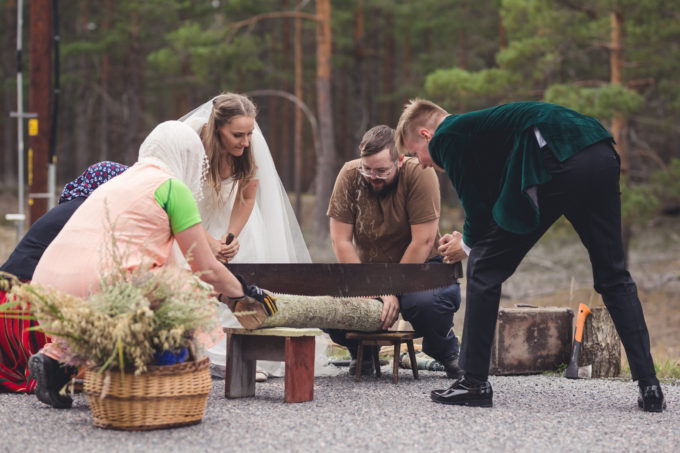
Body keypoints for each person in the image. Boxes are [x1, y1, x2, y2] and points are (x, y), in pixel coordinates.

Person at [396, 99, 665, 412]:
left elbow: (479, 212)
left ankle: (473, 383)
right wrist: (470, 238)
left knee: (483, 267)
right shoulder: (482, 130)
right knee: (614, 275)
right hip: (599, 148)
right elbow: (496, 197)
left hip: (552, 156)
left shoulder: (448, 136)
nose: (423, 163)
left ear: (427, 135)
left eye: (416, 153)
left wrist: (466, 246)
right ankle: (650, 386)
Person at [28, 121, 277, 408]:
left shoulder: (121, 180)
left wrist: (226, 293)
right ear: (190, 157)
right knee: (181, 293)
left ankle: (55, 362)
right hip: (97, 287)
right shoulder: (172, 187)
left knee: (151, 279)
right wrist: (243, 293)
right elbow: (204, 266)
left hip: (47, 289)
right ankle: (157, 371)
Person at [180, 93, 318, 380]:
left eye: (249, 133)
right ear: (217, 129)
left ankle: (245, 353)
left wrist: (230, 238)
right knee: (196, 278)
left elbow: (246, 194)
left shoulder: (249, 146)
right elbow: (179, 200)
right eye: (237, 135)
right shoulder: (192, 138)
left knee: (242, 274)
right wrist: (207, 241)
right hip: (193, 219)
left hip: (234, 218)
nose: (245, 141)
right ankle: (204, 352)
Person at [326, 125, 462, 377]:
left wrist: (391, 289)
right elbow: (340, 240)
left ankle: (445, 349)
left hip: (423, 266)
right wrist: (370, 288)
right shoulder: (348, 174)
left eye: (381, 171)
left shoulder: (420, 172)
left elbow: (423, 240)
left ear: (399, 160)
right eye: (366, 169)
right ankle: (361, 349)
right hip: (368, 273)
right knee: (329, 301)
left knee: (426, 303)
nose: (372, 176)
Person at [0, 161, 128, 393]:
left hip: (7, 301)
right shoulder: (92, 213)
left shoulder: (69, 209)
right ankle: (54, 371)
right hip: (29, 304)